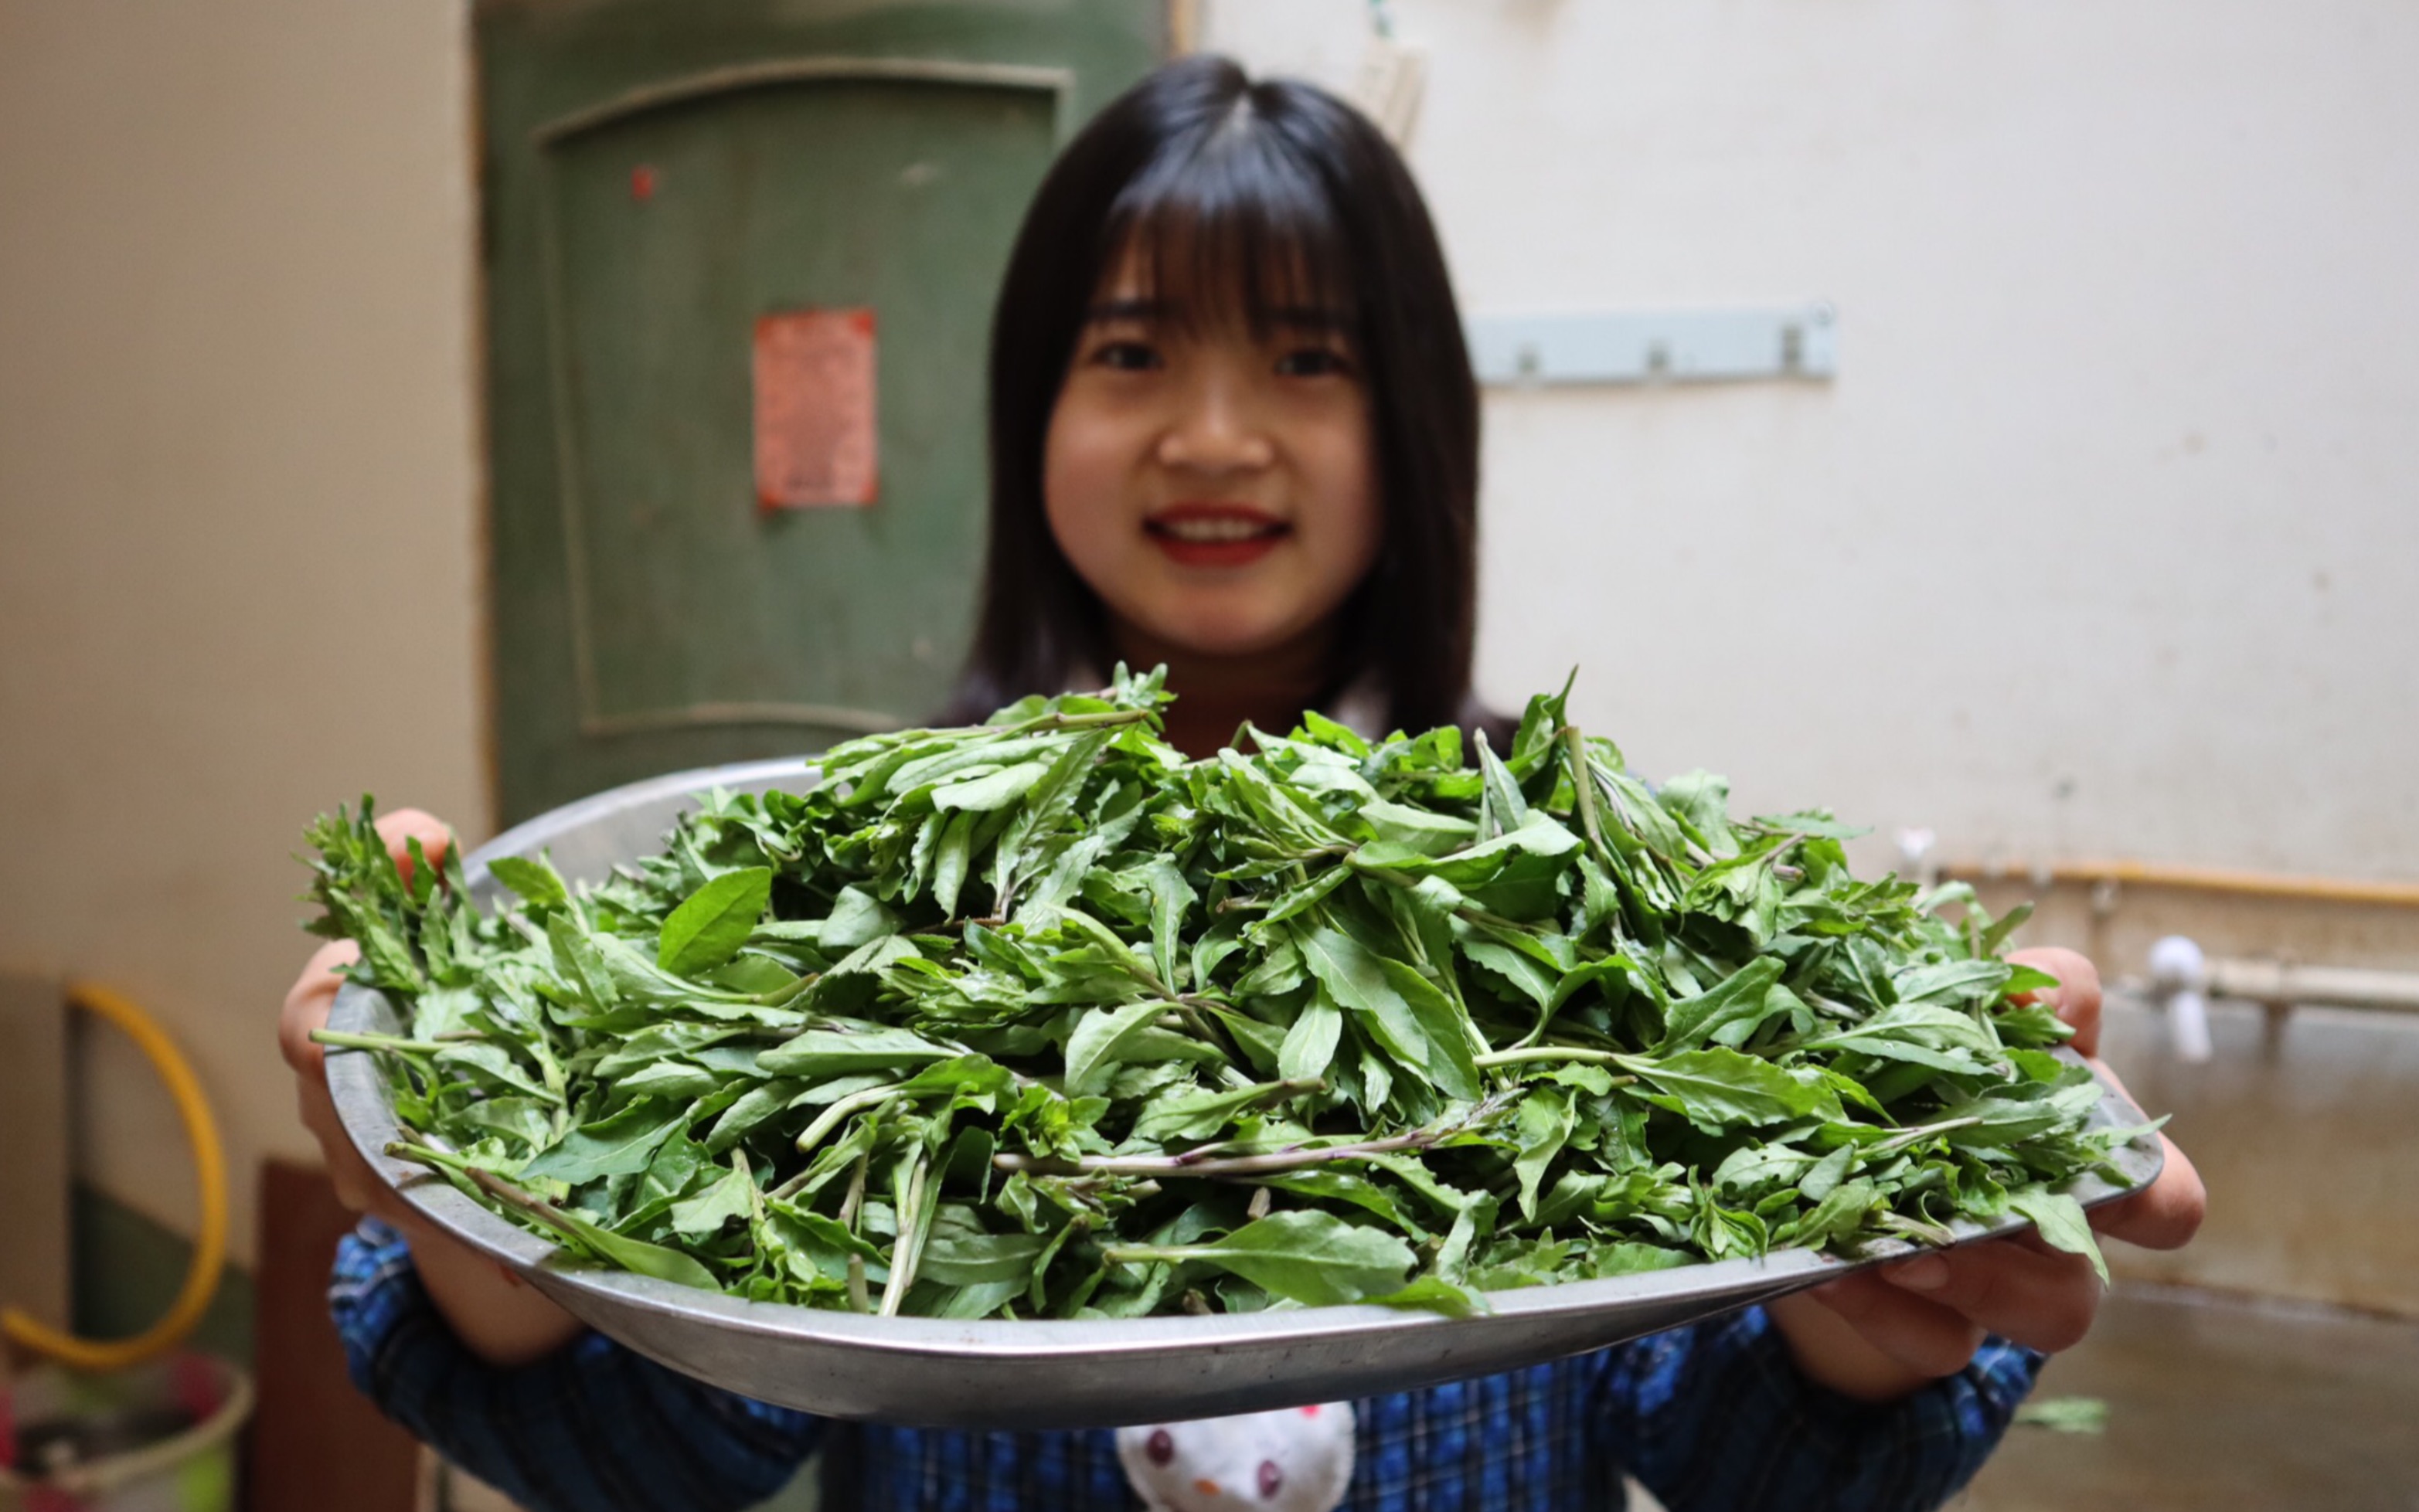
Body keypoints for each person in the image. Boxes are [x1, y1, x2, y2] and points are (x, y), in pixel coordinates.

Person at [279, 56, 2204, 1511]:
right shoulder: (837, 909)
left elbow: (1719, 1428)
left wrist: (1853, 1311)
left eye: (1305, 359)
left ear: (1417, 428)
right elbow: (686, 1422)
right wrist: (500, 1231)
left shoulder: (1571, 908)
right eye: (1130, 355)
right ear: (1033, 411)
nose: (1214, 437)